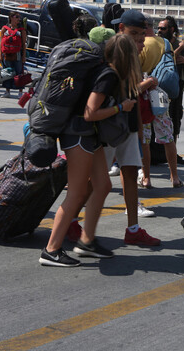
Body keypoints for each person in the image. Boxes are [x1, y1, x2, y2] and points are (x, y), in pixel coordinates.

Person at [39, 15, 117, 267]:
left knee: (103, 184)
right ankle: (51, 250)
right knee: (77, 192)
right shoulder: (103, 71)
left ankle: (86, 241)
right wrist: (121, 107)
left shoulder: (91, 65)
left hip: (86, 134)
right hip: (78, 134)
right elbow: (90, 112)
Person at [109, 9, 161, 245]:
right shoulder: (110, 56)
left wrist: (139, 129)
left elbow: (132, 94)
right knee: (95, 183)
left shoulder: (135, 58)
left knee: (130, 174)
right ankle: (73, 225)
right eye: (134, 35)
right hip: (110, 126)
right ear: (120, 30)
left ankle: (133, 229)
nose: (139, 41)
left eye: (141, 36)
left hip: (128, 126)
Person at [138, 14, 184, 189]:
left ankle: (147, 178)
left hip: (144, 93)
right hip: (160, 95)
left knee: (145, 139)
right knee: (167, 136)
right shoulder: (165, 43)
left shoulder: (141, 45)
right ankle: (175, 177)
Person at [158, 16, 184, 165]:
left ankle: (173, 151)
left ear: (171, 30)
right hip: (159, 85)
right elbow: (167, 57)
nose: (159, 31)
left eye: (163, 28)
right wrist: (180, 48)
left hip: (176, 86)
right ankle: (158, 153)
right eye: (158, 28)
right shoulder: (158, 44)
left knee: (175, 117)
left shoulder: (180, 45)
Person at [0, 11, 26, 98]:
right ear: (11, 17)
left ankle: (20, 92)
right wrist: (0, 55)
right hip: (6, 54)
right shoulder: (5, 29)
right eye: (16, 17)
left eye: (19, 17)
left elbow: (24, 44)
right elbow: (1, 43)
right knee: (7, 73)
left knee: (19, 73)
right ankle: (7, 91)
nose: (19, 19)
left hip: (17, 54)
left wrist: (24, 56)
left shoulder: (21, 30)